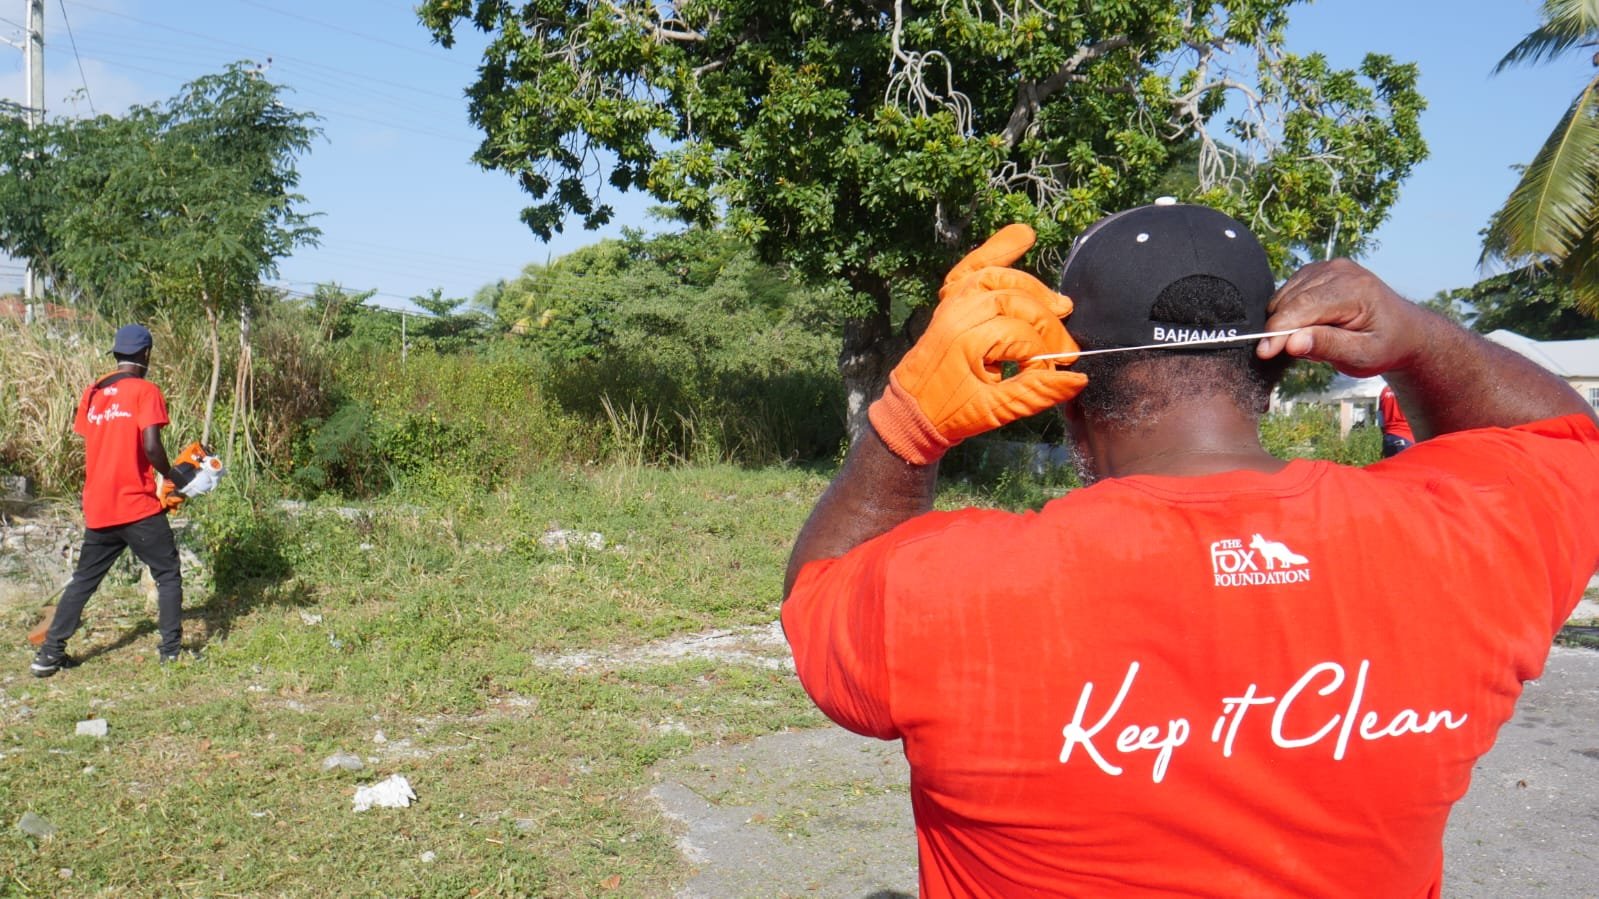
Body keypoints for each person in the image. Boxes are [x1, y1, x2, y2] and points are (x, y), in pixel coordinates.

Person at [781, 202, 1599, 897]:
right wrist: (1419, 338)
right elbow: (1562, 440)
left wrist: (906, 425)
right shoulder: (1466, 541)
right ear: (1272, 378)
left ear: (1069, 403)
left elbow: (819, 593)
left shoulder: (948, 590)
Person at [31, 324, 196, 677]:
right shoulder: (146, 391)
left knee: (83, 582)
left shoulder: (94, 392)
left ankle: (48, 655)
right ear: (146, 355)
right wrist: (172, 476)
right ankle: (170, 653)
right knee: (167, 573)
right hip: (136, 505)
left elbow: (96, 441)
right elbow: (151, 446)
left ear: (117, 354)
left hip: (99, 505)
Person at [1379, 382, 1415, 456]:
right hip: (1406, 437)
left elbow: (1380, 419)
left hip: (1389, 438)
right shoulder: (1410, 389)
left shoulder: (1384, 391)